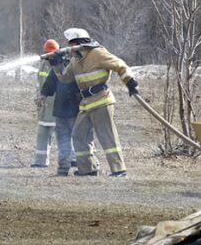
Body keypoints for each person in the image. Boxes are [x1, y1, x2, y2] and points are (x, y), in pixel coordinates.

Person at [46, 28, 139, 177]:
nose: (70, 47)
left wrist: (130, 82)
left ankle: (119, 170)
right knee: (78, 135)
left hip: (102, 100)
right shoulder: (75, 61)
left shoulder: (98, 53)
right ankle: (87, 169)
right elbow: (65, 78)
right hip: (86, 103)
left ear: (80, 43)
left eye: (72, 43)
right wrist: (56, 64)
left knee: (107, 136)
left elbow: (120, 65)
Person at [40, 48, 83, 176]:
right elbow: (50, 82)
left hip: (76, 109)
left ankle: (86, 167)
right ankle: (63, 168)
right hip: (60, 110)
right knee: (63, 140)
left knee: (80, 140)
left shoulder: (79, 65)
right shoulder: (58, 68)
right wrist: (43, 95)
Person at [32, 39, 59, 168]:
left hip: (57, 107)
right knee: (42, 134)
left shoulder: (61, 64)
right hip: (44, 106)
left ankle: (71, 161)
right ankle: (40, 161)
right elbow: (39, 83)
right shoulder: (43, 64)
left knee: (63, 136)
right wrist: (38, 97)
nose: (49, 56)